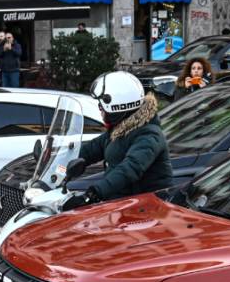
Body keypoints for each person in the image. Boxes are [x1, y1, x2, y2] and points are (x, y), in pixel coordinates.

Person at [68, 71, 174, 207]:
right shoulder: (120, 129)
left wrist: (93, 194)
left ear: (118, 106)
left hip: (148, 209)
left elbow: (129, 169)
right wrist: (67, 160)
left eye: (102, 107)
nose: (100, 111)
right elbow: (94, 147)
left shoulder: (149, 135)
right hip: (124, 204)